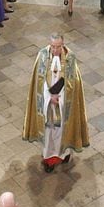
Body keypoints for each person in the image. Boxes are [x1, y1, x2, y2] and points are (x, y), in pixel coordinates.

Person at [23, 33, 89, 172]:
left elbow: (74, 82)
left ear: (63, 45)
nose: (55, 50)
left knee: (63, 131)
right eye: (53, 47)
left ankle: (63, 154)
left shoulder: (70, 58)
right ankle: (49, 159)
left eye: (58, 47)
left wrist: (60, 97)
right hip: (48, 104)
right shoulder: (42, 56)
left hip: (63, 103)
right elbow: (38, 83)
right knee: (49, 133)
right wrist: (49, 97)